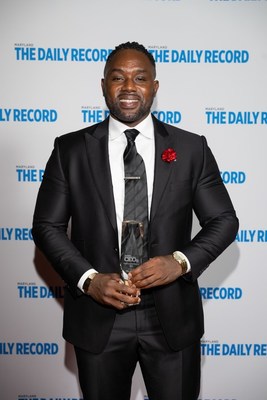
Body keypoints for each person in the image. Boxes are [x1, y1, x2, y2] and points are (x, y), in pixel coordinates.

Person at [32, 41, 239, 400]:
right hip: (99, 316)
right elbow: (46, 227)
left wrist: (179, 262)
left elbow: (223, 220)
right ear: (103, 86)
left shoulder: (191, 149)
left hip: (172, 318)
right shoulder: (70, 150)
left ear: (154, 88)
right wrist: (89, 279)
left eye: (140, 78)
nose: (129, 87)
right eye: (118, 78)